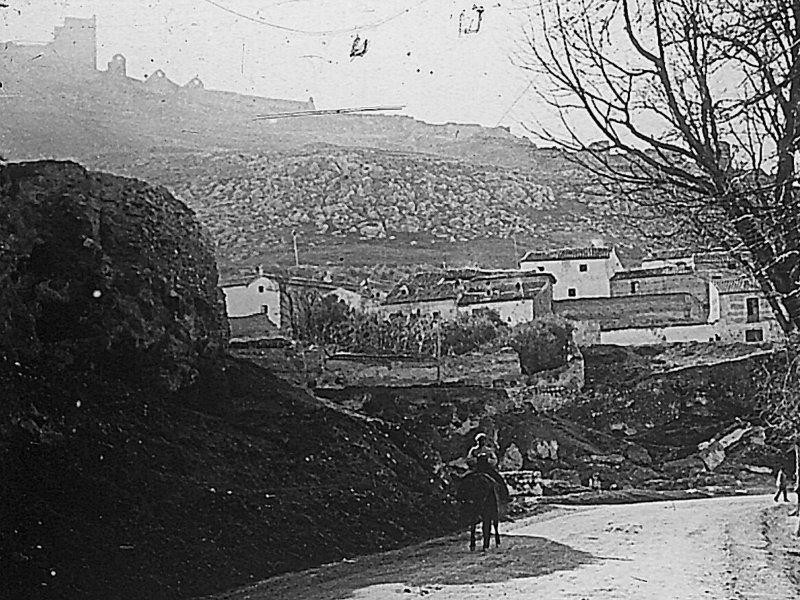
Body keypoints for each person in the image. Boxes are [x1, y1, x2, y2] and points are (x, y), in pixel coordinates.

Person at [466, 433, 509, 504]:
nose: (481, 442)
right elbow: (469, 459)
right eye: (479, 441)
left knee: (498, 479)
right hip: (477, 468)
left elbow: (494, 460)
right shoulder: (473, 450)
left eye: (482, 440)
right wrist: (475, 460)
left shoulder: (488, 450)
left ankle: (505, 495)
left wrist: (488, 461)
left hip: (487, 469)